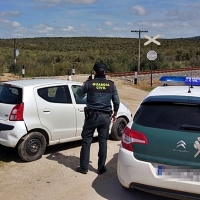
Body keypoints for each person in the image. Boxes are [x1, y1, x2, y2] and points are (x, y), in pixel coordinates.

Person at [76, 62, 120, 175]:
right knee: (103, 142)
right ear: (105, 72)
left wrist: (84, 84)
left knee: (86, 141)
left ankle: (84, 168)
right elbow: (116, 101)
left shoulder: (89, 83)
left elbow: (78, 94)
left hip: (91, 117)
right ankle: (101, 168)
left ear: (94, 72)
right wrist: (115, 113)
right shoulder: (111, 85)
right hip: (105, 117)